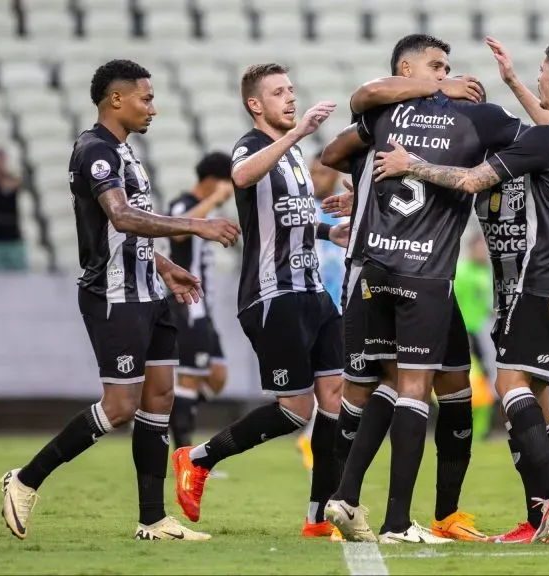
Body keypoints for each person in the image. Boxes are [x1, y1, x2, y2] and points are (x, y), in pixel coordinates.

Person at [372, 40, 549, 544]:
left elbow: (470, 182)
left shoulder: (522, 150)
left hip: (536, 286)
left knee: (515, 393)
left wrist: (412, 166)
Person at [0, 59, 240, 541]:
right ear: (116, 99)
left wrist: (168, 269)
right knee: (121, 404)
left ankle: (152, 520)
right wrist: (198, 225)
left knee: (159, 400)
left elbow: (133, 236)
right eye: (145, 98)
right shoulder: (95, 151)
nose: (153, 108)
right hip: (113, 295)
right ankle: (25, 479)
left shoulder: (127, 154)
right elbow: (122, 218)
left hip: (150, 293)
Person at [321, 33, 525, 545]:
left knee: (398, 385)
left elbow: (333, 149)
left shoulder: (382, 119)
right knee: (409, 390)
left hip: (376, 269)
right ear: (407, 69)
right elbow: (545, 139)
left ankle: (346, 498)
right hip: (425, 274)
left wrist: (365, 190)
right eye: (436, 66)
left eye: (447, 67)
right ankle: (395, 523)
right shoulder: (474, 117)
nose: (445, 73)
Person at [172, 63, 352, 539]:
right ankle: (196, 458)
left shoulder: (292, 159)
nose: (290, 98)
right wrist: (296, 134)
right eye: (278, 92)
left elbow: (289, 220)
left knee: (334, 396)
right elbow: (243, 176)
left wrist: (329, 231)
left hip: (314, 291)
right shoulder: (253, 146)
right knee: (295, 409)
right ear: (256, 104)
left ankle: (317, 518)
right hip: (273, 294)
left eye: (292, 90)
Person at [166, 152, 234, 452]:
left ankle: (173, 409)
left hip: (204, 309)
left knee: (217, 376)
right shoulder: (183, 205)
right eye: (226, 183)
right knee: (190, 379)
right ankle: (186, 457)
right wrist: (214, 201)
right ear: (212, 181)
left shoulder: (201, 211)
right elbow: (179, 234)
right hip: (187, 305)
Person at [293, 154, 351, 472]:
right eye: (313, 171)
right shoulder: (305, 210)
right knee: (326, 379)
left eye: (323, 171)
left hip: (340, 304)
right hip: (311, 303)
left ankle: (315, 437)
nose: (317, 177)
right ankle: (314, 436)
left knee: (334, 379)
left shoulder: (341, 211)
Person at [453, 234, 495, 441]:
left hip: (478, 334)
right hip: (464, 334)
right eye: (479, 248)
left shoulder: (486, 272)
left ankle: (478, 435)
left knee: (483, 382)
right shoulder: (462, 272)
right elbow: (453, 304)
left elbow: (485, 304)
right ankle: (468, 432)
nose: (483, 251)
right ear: (471, 249)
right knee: (470, 387)